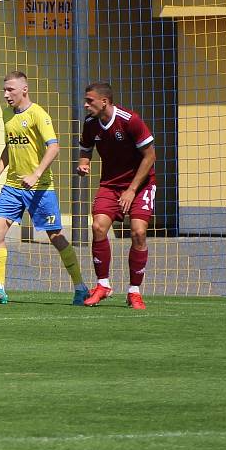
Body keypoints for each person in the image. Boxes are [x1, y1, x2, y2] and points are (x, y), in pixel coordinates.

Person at [0, 72, 89, 305]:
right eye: (4, 90)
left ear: (24, 89)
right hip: (13, 186)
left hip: (40, 188)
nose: (6, 94)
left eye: (10, 89)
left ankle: (80, 287)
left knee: (56, 236)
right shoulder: (7, 114)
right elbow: (10, 146)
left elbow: (53, 147)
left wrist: (36, 174)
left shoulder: (38, 114)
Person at [76, 82, 156, 310]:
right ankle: (103, 285)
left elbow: (150, 156)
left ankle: (134, 292)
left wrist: (131, 190)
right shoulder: (91, 124)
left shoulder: (130, 121)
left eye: (89, 100)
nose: (86, 104)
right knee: (98, 227)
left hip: (141, 185)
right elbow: (86, 147)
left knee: (139, 232)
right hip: (110, 185)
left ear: (104, 101)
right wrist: (84, 163)